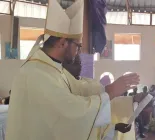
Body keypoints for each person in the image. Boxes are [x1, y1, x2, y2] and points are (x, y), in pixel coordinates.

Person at [5, 1, 140, 140]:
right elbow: (71, 111)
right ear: (62, 42)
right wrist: (111, 91)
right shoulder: (35, 74)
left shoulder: (53, 68)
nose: (79, 52)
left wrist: (112, 92)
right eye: (78, 46)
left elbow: (80, 90)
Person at [63, 54, 147, 140]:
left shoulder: (88, 82)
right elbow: (82, 115)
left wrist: (132, 100)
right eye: (73, 60)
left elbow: (108, 103)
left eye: (79, 60)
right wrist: (110, 90)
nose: (79, 62)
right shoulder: (62, 87)